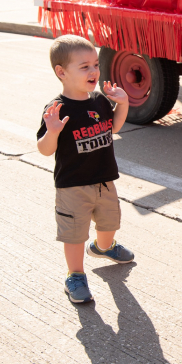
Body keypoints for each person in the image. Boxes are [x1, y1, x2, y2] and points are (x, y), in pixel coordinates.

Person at [37, 35, 135, 304]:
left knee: (109, 224)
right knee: (74, 233)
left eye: (95, 64)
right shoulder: (57, 109)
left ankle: (104, 248)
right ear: (62, 72)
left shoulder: (100, 101)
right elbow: (45, 149)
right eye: (84, 67)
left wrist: (122, 103)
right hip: (72, 186)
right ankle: (75, 275)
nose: (93, 71)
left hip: (104, 180)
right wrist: (53, 132)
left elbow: (113, 127)